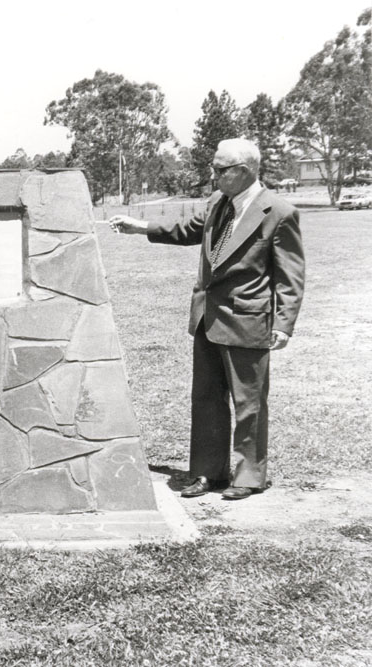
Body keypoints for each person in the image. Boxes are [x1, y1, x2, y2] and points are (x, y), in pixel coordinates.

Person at [109, 138, 305, 501]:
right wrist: (142, 227)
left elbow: (290, 277)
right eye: (214, 168)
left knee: (249, 403)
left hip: (248, 321)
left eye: (220, 169)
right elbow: (188, 230)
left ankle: (249, 475)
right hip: (207, 319)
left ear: (244, 172)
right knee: (207, 399)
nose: (213, 175)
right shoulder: (218, 203)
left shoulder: (279, 213)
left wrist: (283, 323)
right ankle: (207, 472)